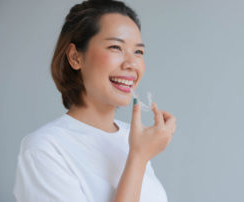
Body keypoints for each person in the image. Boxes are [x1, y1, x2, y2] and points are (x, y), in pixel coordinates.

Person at [13, 0, 176, 201]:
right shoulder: (44, 149)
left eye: (138, 52)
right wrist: (138, 157)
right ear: (75, 57)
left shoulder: (133, 138)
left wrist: (139, 152)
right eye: (116, 47)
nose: (132, 64)